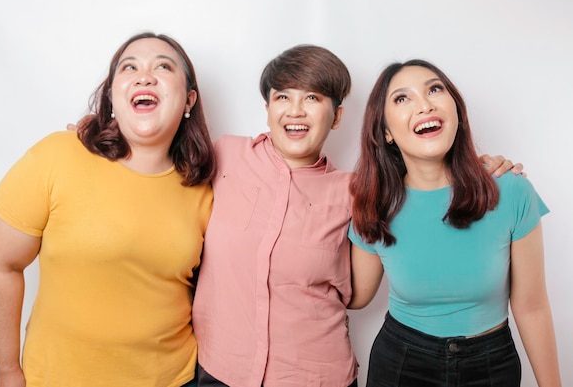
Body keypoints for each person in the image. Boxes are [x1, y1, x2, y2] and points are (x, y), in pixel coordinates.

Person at [190, 47, 522, 387]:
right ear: (268, 109)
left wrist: (476, 169)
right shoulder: (224, 155)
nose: (295, 110)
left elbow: (363, 289)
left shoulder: (358, 193)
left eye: (313, 98)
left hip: (315, 375)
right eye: (283, 97)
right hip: (222, 369)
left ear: (336, 117)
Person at [0, 32, 216, 387]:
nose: (144, 75)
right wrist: (8, 369)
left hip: (174, 379)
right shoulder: (58, 155)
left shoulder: (207, 189)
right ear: (111, 96)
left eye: (163, 67)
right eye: (129, 67)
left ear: (188, 100)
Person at [348, 59, 561, 386]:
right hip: (401, 362)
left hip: (491, 365)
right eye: (402, 99)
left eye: (435, 89)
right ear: (386, 132)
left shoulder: (512, 190)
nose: (424, 104)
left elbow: (531, 307)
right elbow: (355, 297)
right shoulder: (375, 205)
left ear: (457, 113)